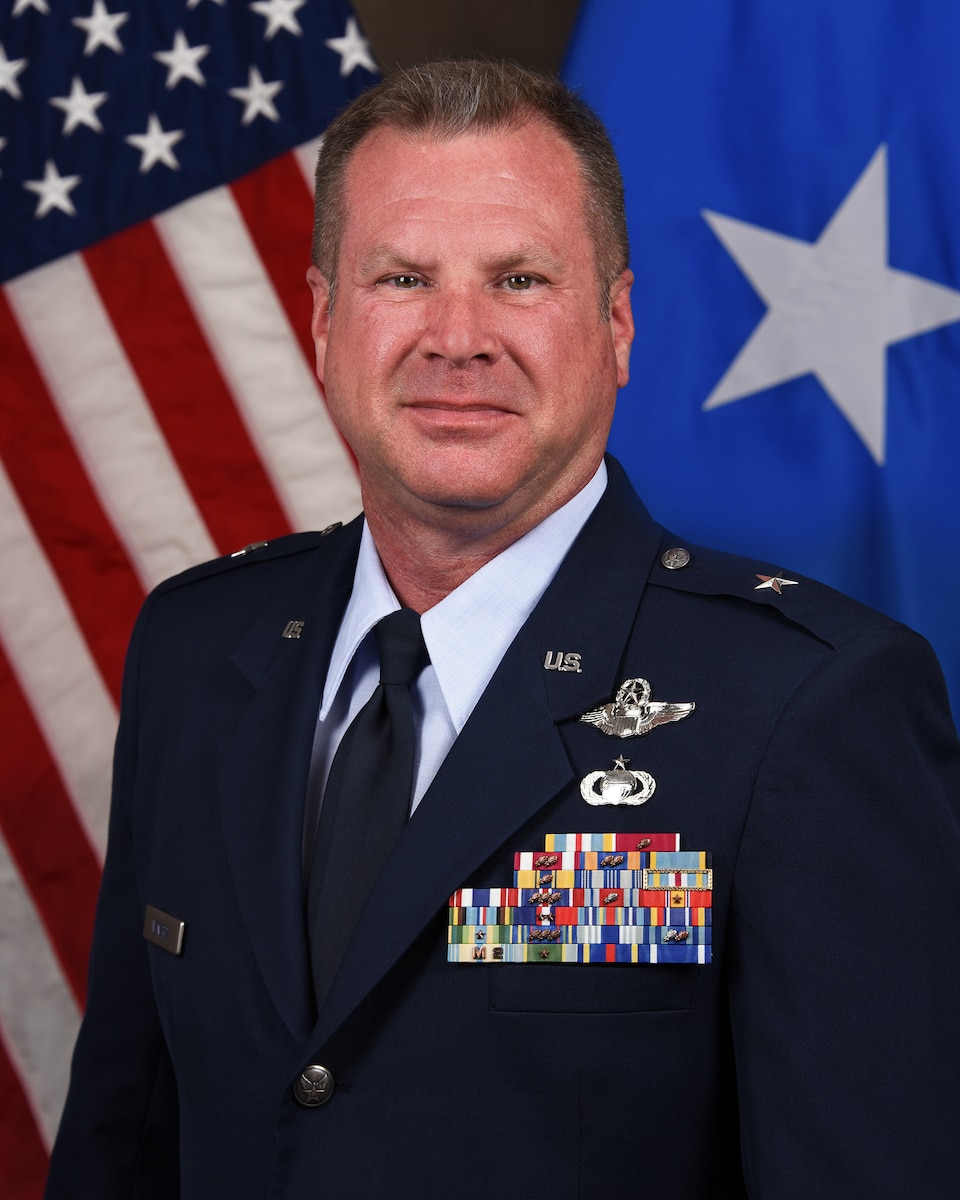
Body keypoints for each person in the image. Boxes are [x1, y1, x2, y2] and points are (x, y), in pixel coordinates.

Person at [46, 61, 960, 1199]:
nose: (457, 336)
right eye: (404, 277)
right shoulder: (194, 650)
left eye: (519, 279)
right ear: (325, 322)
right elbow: (122, 1147)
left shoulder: (809, 706)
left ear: (618, 326)